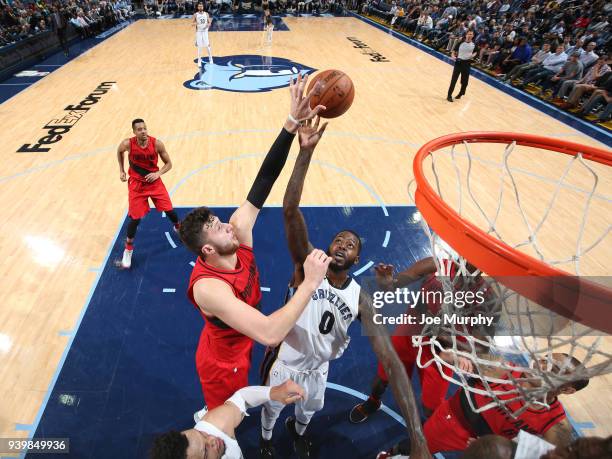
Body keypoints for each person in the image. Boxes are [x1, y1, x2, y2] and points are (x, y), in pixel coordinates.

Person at [179, 75, 328, 415]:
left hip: (244, 338)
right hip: (222, 362)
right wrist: (310, 282)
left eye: (221, 221)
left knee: (252, 391)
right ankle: (210, 415)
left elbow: (263, 180)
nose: (228, 226)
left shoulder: (238, 233)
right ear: (207, 251)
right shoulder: (208, 288)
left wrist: (291, 126)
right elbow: (270, 332)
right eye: (217, 228)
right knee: (227, 417)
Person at [259, 117, 363, 459]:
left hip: (318, 371)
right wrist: (305, 152)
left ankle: (299, 434)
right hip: (286, 363)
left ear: (357, 258)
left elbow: (389, 326)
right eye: (339, 239)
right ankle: (266, 440)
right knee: (272, 408)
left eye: (350, 245)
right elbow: (290, 210)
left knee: (307, 412)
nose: (342, 245)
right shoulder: (308, 265)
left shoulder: (359, 295)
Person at [349, 257, 483, 422]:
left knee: (430, 410)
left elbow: (481, 347)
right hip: (408, 334)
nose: (468, 260)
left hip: (442, 353)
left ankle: (424, 435)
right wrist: (386, 282)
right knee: (381, 380)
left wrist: (460, 352)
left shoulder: (485, 296)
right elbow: (392, 286)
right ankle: (373, 401)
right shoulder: (435, 265)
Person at [376, 353, 589, 457]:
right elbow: (444, 355)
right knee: (417, 447)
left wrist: (506, 449)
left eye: (553, 368)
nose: (541, 365)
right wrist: (457, 358)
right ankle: (394, 453)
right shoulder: (502, 369)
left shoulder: (557, 425)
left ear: (567, 389)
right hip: (451, 421)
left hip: (485, 448)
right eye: (545, 359)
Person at [150, 380, 305, 459]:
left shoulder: (213, 424)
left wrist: (274, 392)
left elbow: (242, 398)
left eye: (202, 435)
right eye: (205, 451)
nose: (212, 439)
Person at [116, 119, 181, 269]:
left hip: (154, 183)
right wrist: (121, 170)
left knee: (169, 210)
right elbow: (119, 152)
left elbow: (169, 164)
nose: (143, 131)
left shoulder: (157, 144)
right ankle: (128, 250)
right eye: (139, 129)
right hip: (137, 185)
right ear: (134, 132)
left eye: (145, 128)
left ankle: (177, 227)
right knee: (135, 218)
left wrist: (158, 173)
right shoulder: (127, 144)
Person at [447, 29, 477, 102]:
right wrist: (453, 56)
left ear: (473, 36)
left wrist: (471, 56)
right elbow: (453, 52)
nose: (470, 35)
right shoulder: (460, 43)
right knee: (453, 80)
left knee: (464, 82)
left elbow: (476, 52)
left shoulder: (474, 44)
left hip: (467, 64)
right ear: (466, 35)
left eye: (471, 34)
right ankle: (449, 95)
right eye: (468, 34)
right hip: (458, 63)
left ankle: (461, 93)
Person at [193, 2, 213, 67]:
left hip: (205, 32)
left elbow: (209, 23)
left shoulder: (206, 14)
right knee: (199, 47)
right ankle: (199, 61)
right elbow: (192, 23)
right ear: (197, 7)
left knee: (207, 46)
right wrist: (195, 24)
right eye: (199, 6)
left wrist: (207, 25)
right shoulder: (195, 15)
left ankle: (211, 59)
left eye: (201, 6)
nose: (200, 7)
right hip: (199, 32)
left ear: (203, 7)